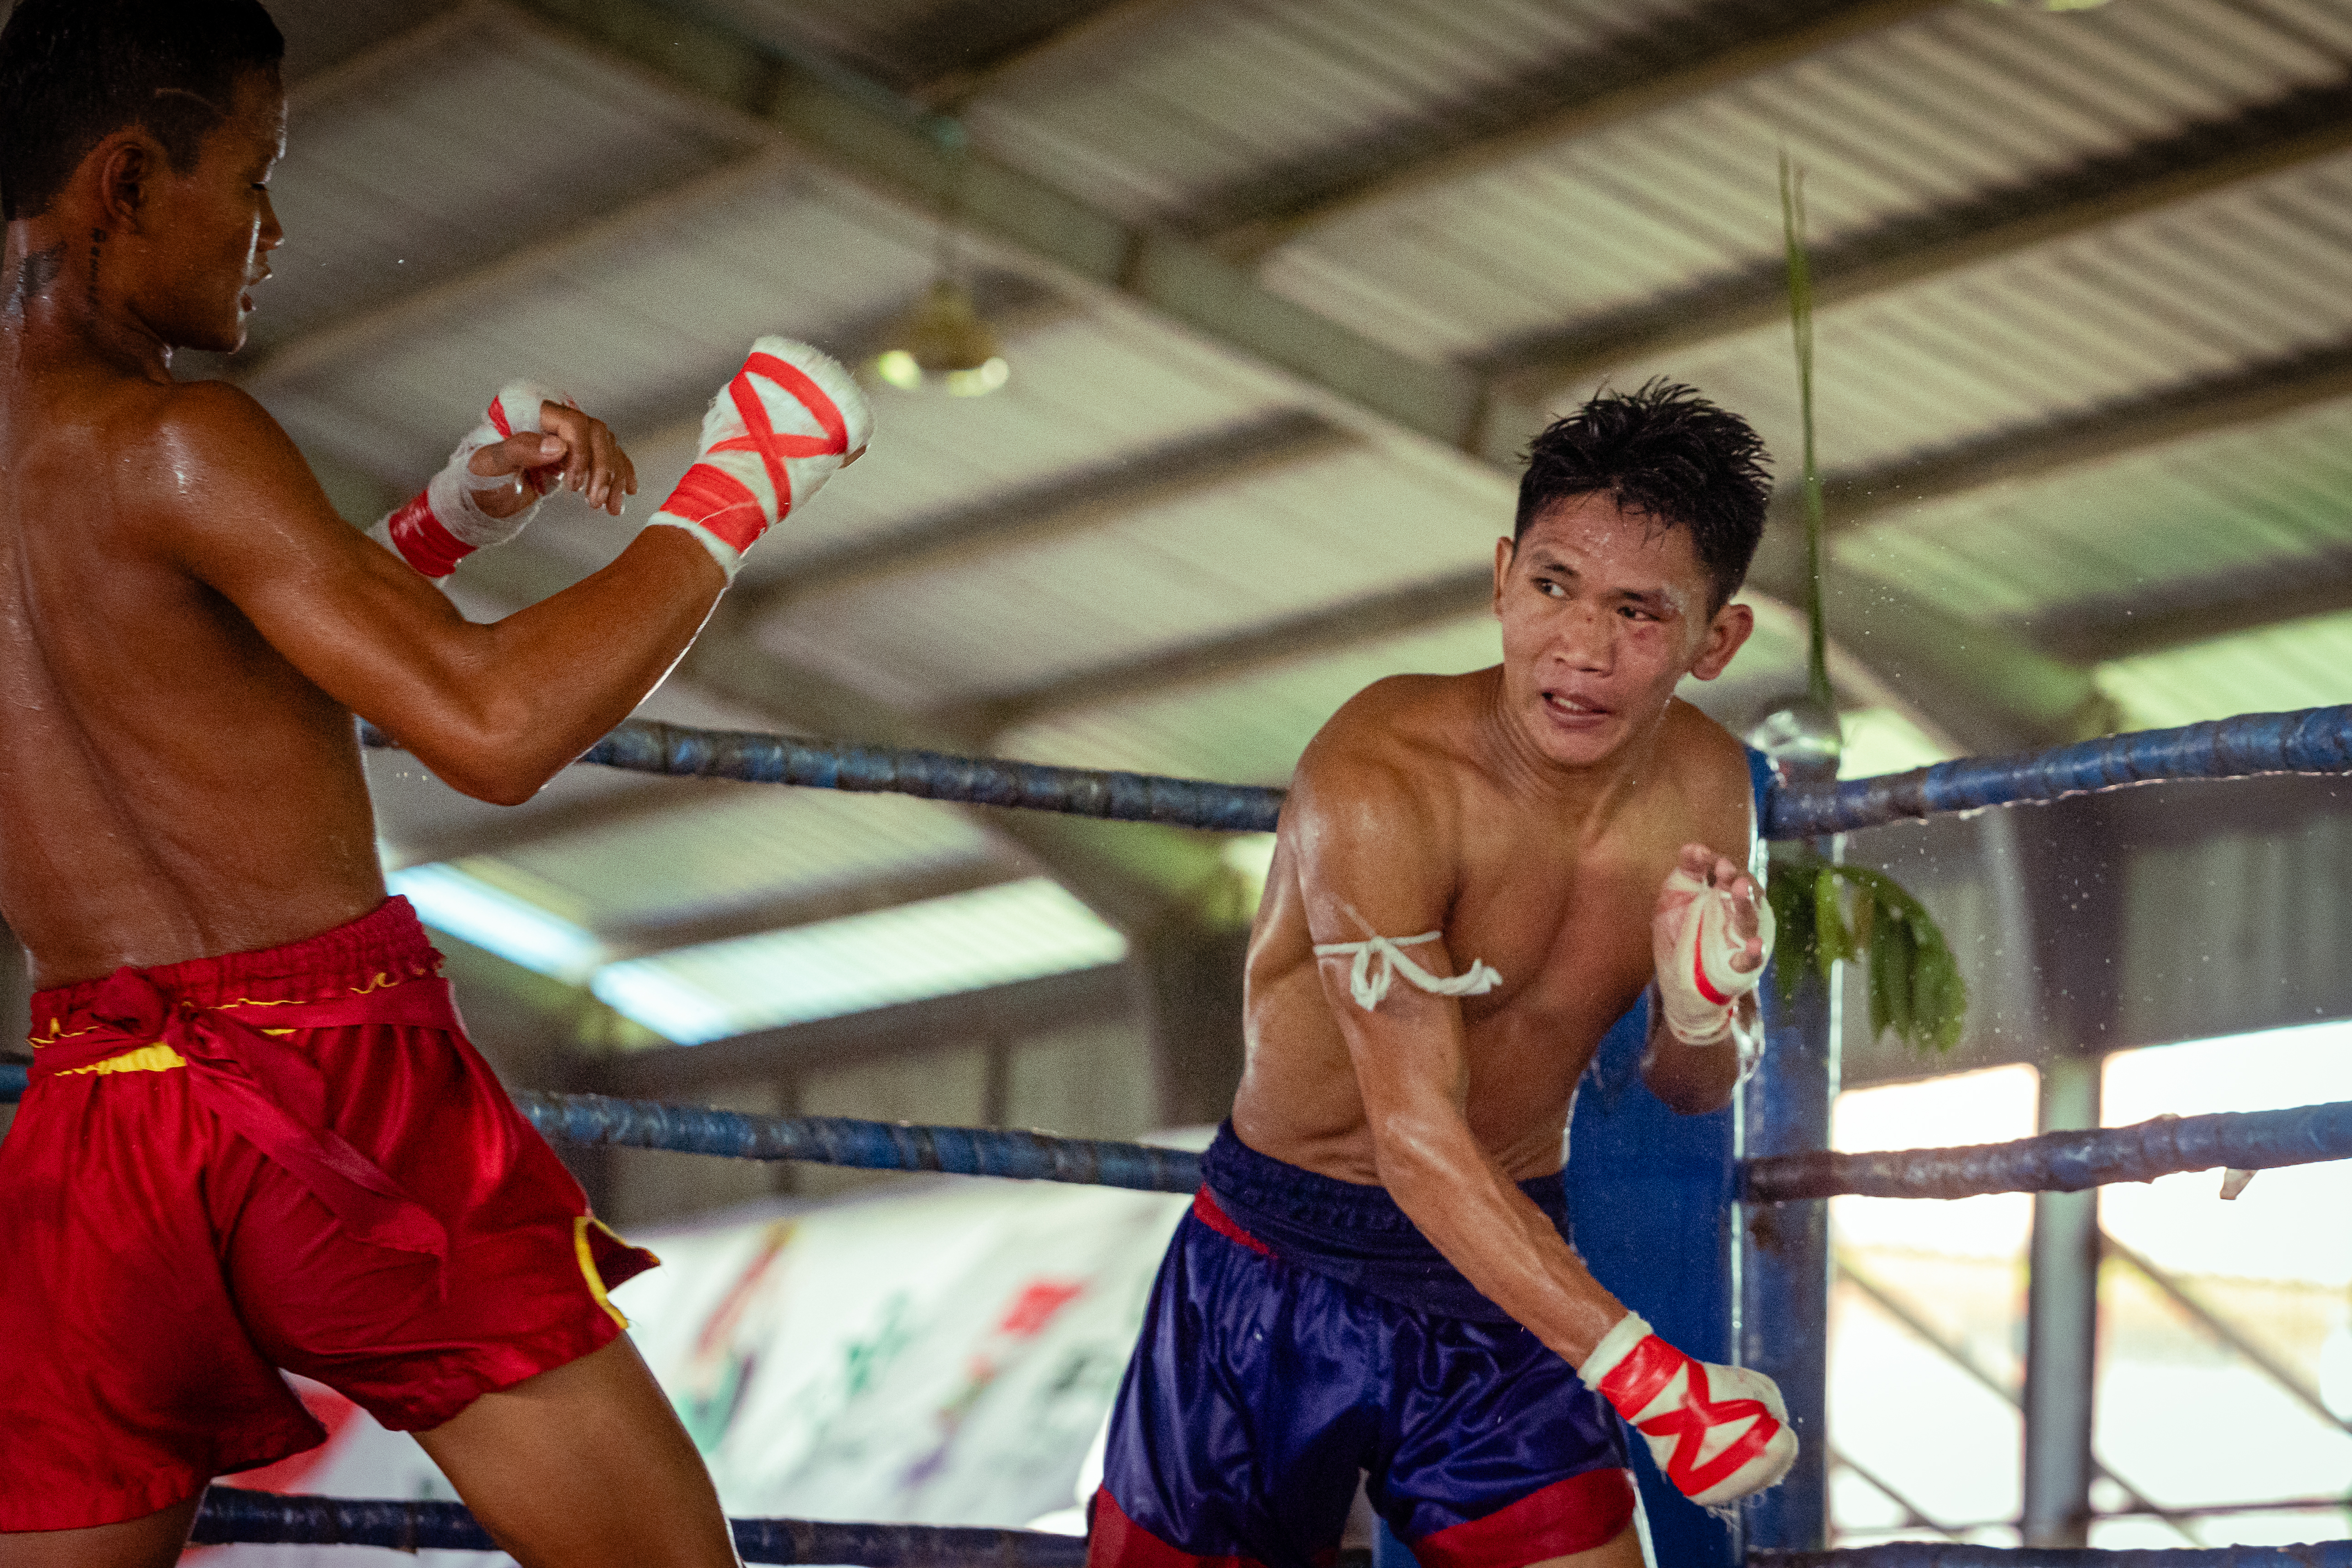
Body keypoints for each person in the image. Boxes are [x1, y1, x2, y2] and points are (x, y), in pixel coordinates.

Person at [0, 3, 868, 1565]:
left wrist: (441, 527)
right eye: (253, 175)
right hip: (332, 1094)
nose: (271, 230)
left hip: (94, 1124)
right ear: (126, 182)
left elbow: (164, 677)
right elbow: (495, 727)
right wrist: (742, 483)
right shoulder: (180, 438)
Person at [1088, 382, 1796, 1568]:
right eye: (1554, 588)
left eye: (1638, 612)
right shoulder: (1385, 777)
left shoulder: (1710, 788)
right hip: (1281, 1262)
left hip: (1506, 1272)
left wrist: (1700, 1012)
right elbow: (1413, 1138)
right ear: (1504, 578)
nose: (1580, 649)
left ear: (1714, 642)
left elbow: (1693, 1089)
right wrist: (1656, 1385)